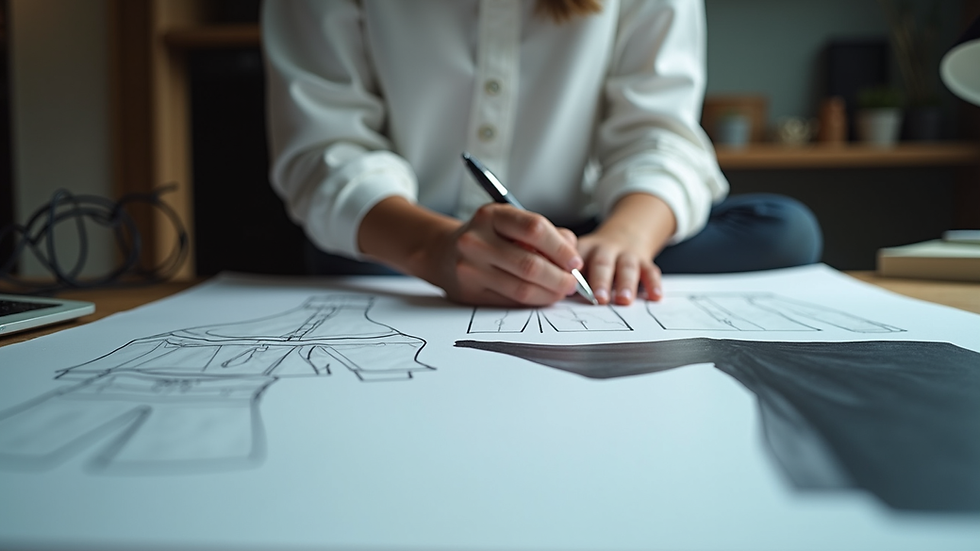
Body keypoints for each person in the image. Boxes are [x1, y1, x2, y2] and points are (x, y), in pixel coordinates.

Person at [261, 0, 822, 307]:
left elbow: (659, 133)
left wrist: (626, 239)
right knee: (340, 257)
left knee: (784, 228)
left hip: (580, 239)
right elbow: (326, 147)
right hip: (409, 240)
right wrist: (434, 249)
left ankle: (583, 266)